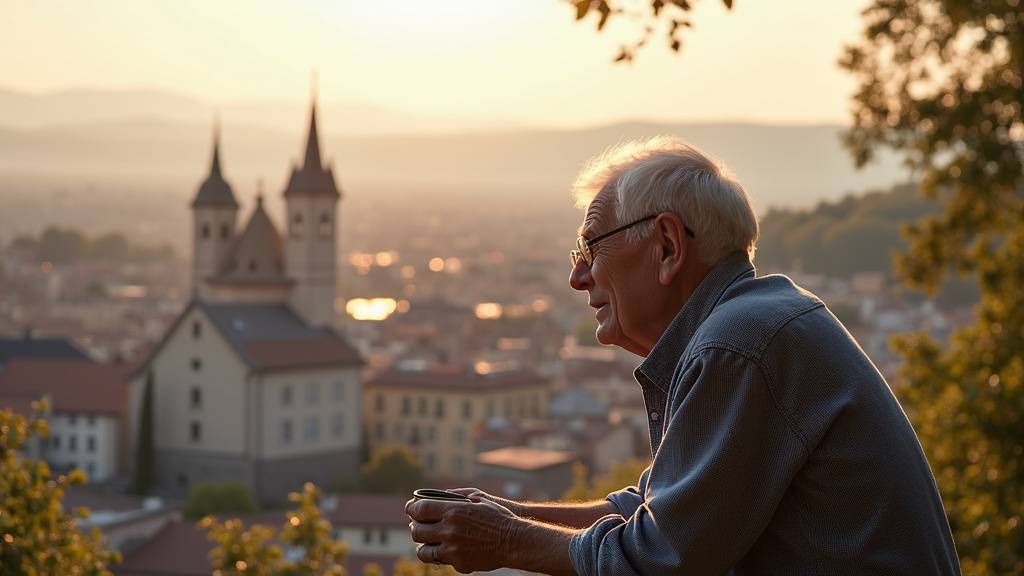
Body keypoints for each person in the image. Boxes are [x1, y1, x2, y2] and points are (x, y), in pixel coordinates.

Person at [406, 136, 960, 575]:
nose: (577, 277)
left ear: (668, 246)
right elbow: (654, 511)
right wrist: (508, 515)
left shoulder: (737, 344)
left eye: (591, 248)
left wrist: (505, 541)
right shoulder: (756, 320)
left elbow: (661, 558)